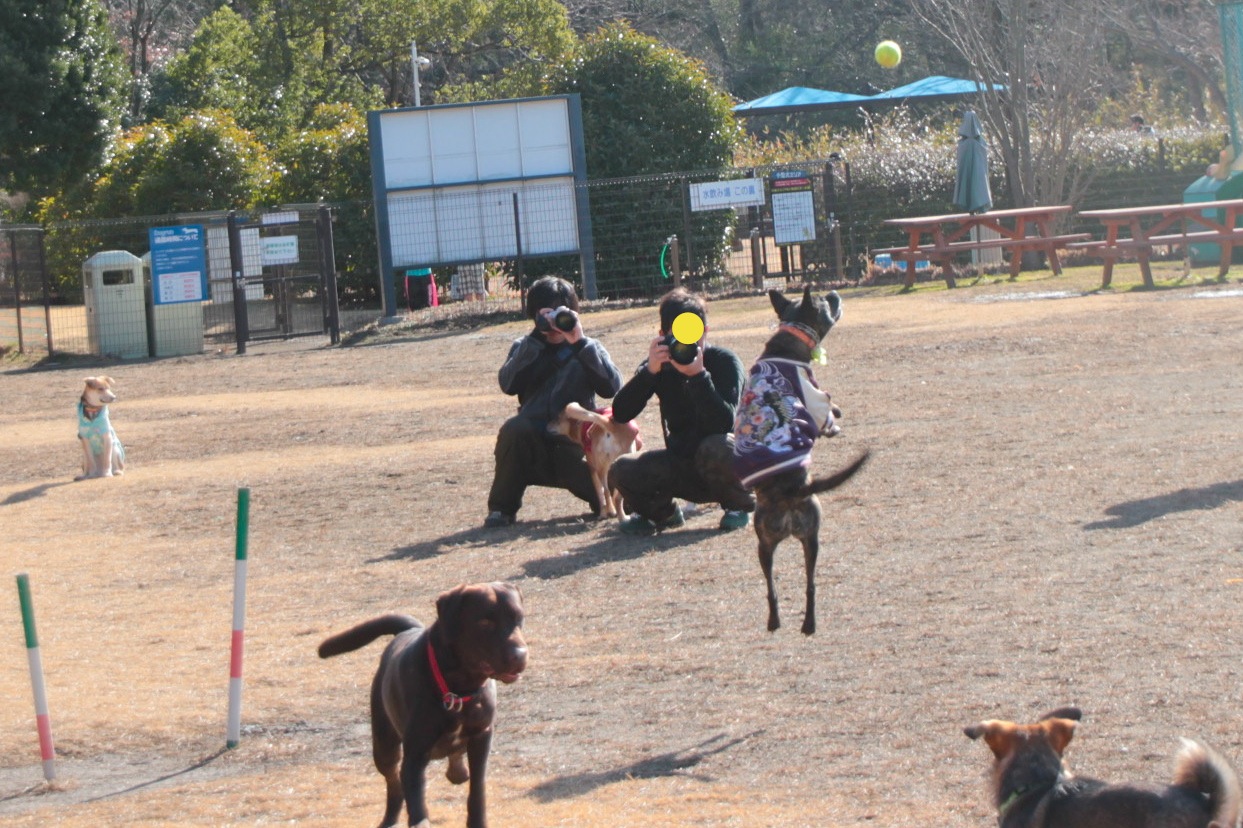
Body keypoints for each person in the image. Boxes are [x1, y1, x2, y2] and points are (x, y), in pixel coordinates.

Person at [608, 288, 755, 535]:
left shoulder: (724, 361)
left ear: (705, 332)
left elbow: (724, 423)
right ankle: (663, 513)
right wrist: (649, 373)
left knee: (717, 446)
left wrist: (698, 376)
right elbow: (620, 413)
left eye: (694, 334)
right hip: (681, 464)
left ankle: (739, 506)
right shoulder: (659, 366)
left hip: (724, 462)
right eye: (679, 335)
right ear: (663, 335)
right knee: (622, 469)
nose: (688, 343)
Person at [484, 276, 622, 528]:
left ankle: (604, 497)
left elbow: (611, 387)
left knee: (611, 497)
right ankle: (501, 509)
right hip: (531, 445)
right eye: (546, 313)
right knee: (514, 429)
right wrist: (535, 340)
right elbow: (508, 384)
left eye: (561, 313)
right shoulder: (524, 346)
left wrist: (580, 344)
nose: (554, 322)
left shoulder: (589, 347)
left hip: (573, 447)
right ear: (534, 315)